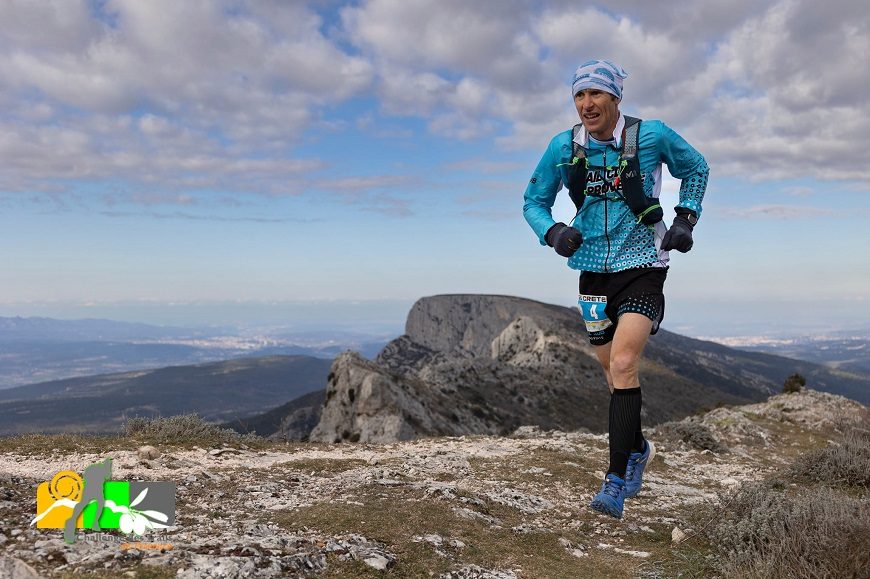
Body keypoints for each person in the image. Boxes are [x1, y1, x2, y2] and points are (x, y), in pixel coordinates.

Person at [522, 59, 708, 519]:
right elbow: (533, 200)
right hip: (591, 267)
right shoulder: (563, 147)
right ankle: (638, 448)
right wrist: (553, 232)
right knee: (611, 372)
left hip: (644, 261)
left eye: (596, 95)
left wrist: (686, 217)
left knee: (625, 362)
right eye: (579, 96)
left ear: (615, 99)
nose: (587, 105)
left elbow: (697, 167)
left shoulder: (652, 135)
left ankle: (615, 479)